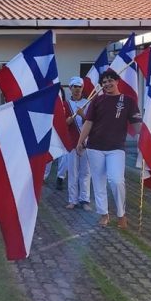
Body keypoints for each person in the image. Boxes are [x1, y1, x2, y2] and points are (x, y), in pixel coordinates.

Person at [76, 69, 141, 229]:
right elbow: (89, 123)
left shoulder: (128, 101)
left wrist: (148, 135)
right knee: (98, 182)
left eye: (110, 80)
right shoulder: (97, 101)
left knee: (116, 180)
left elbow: (137, 126)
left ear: (117, 81)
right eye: (104, 82)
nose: (107, 84)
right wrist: (80, 141)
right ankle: (104, 214)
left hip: (116, 148)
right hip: (95, 147)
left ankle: (121, 214)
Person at [63, 76, 91, 210]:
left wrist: (82, 115)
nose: (77, 89)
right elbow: (61, 124)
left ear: (82, 88)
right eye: (74, 87)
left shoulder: (89, 103)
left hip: (86, 142)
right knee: (73, 172)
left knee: (85, 172)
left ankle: (84, 200)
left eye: (79, 86)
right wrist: (67, 121)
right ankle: (72, 200)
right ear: (70, 88)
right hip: (72, 142)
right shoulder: (65, 104)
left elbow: (92, 122)